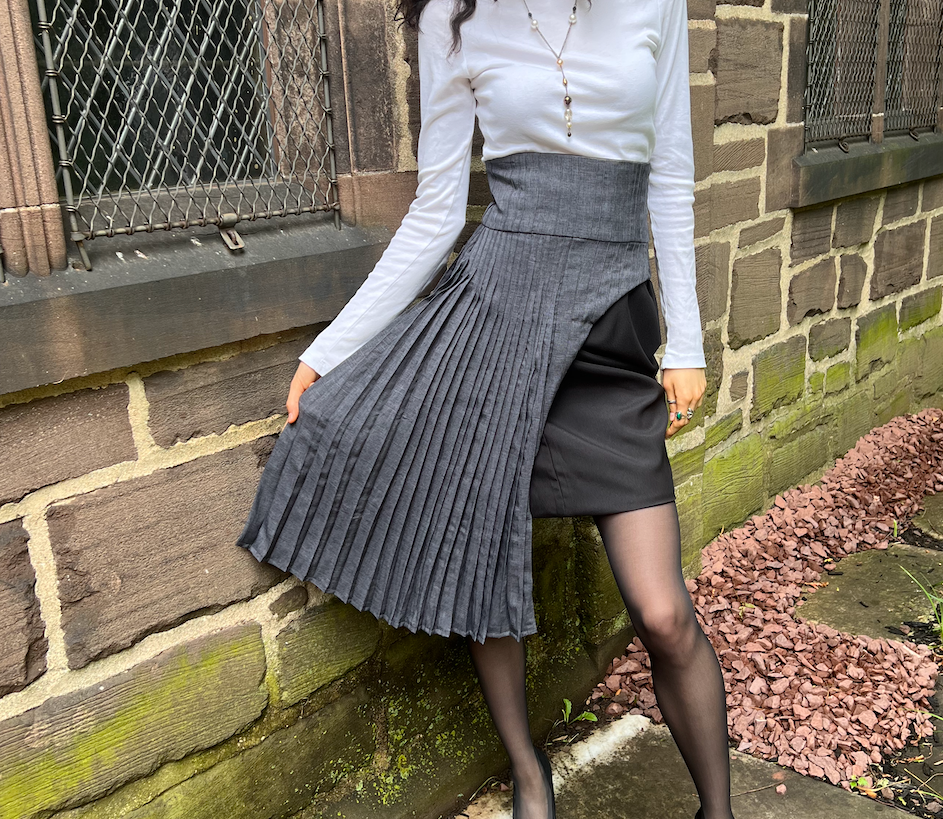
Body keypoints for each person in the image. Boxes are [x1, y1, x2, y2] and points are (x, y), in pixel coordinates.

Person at [238, 1, 736, 817]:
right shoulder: (453, 16)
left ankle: (717, 810)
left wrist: (687, 340)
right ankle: (529, 775)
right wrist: (327, 351)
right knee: (481, 556)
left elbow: (672, 175)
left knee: (662, 612)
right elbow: (437, 211)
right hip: (496, 321)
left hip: (611, 326)